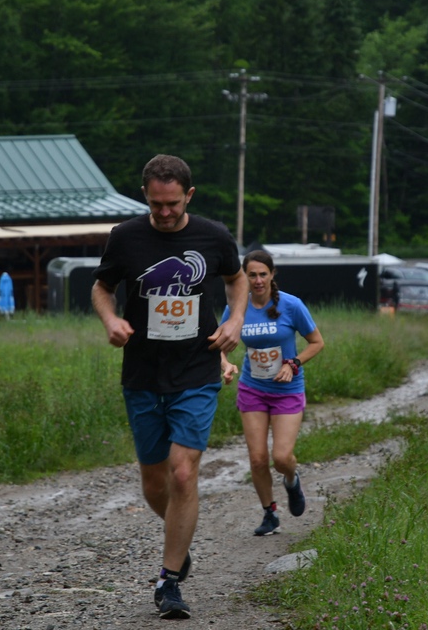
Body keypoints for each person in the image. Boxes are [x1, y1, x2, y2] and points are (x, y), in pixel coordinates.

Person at [92, 154, 247, 620]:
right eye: (157, 204)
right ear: (146, 196)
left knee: (183, 473)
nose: (164, 213)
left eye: (173, 204)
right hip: (142, 373)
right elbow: (101, 287)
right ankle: (180, 543)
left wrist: (235, 320)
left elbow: (236, 280)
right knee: (154, 480)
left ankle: (169, 579)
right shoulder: (125, 237)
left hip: (196, 370)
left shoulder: (213, 235)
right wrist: (111, 319)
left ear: (189, 196)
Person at [220, 250, 324, 536]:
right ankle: (270, 513)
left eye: (262, 274)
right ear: (243, 277)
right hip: (253, 388)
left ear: (272, 275)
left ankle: (292, 480)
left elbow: (316, 342)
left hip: (287, 390)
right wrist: (226, 364)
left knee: (281, 457)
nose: (257, 280)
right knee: (257, 458)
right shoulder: (236, 307)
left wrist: (294, 363)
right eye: (251, 275)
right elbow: (221, 344)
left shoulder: (292, 305)